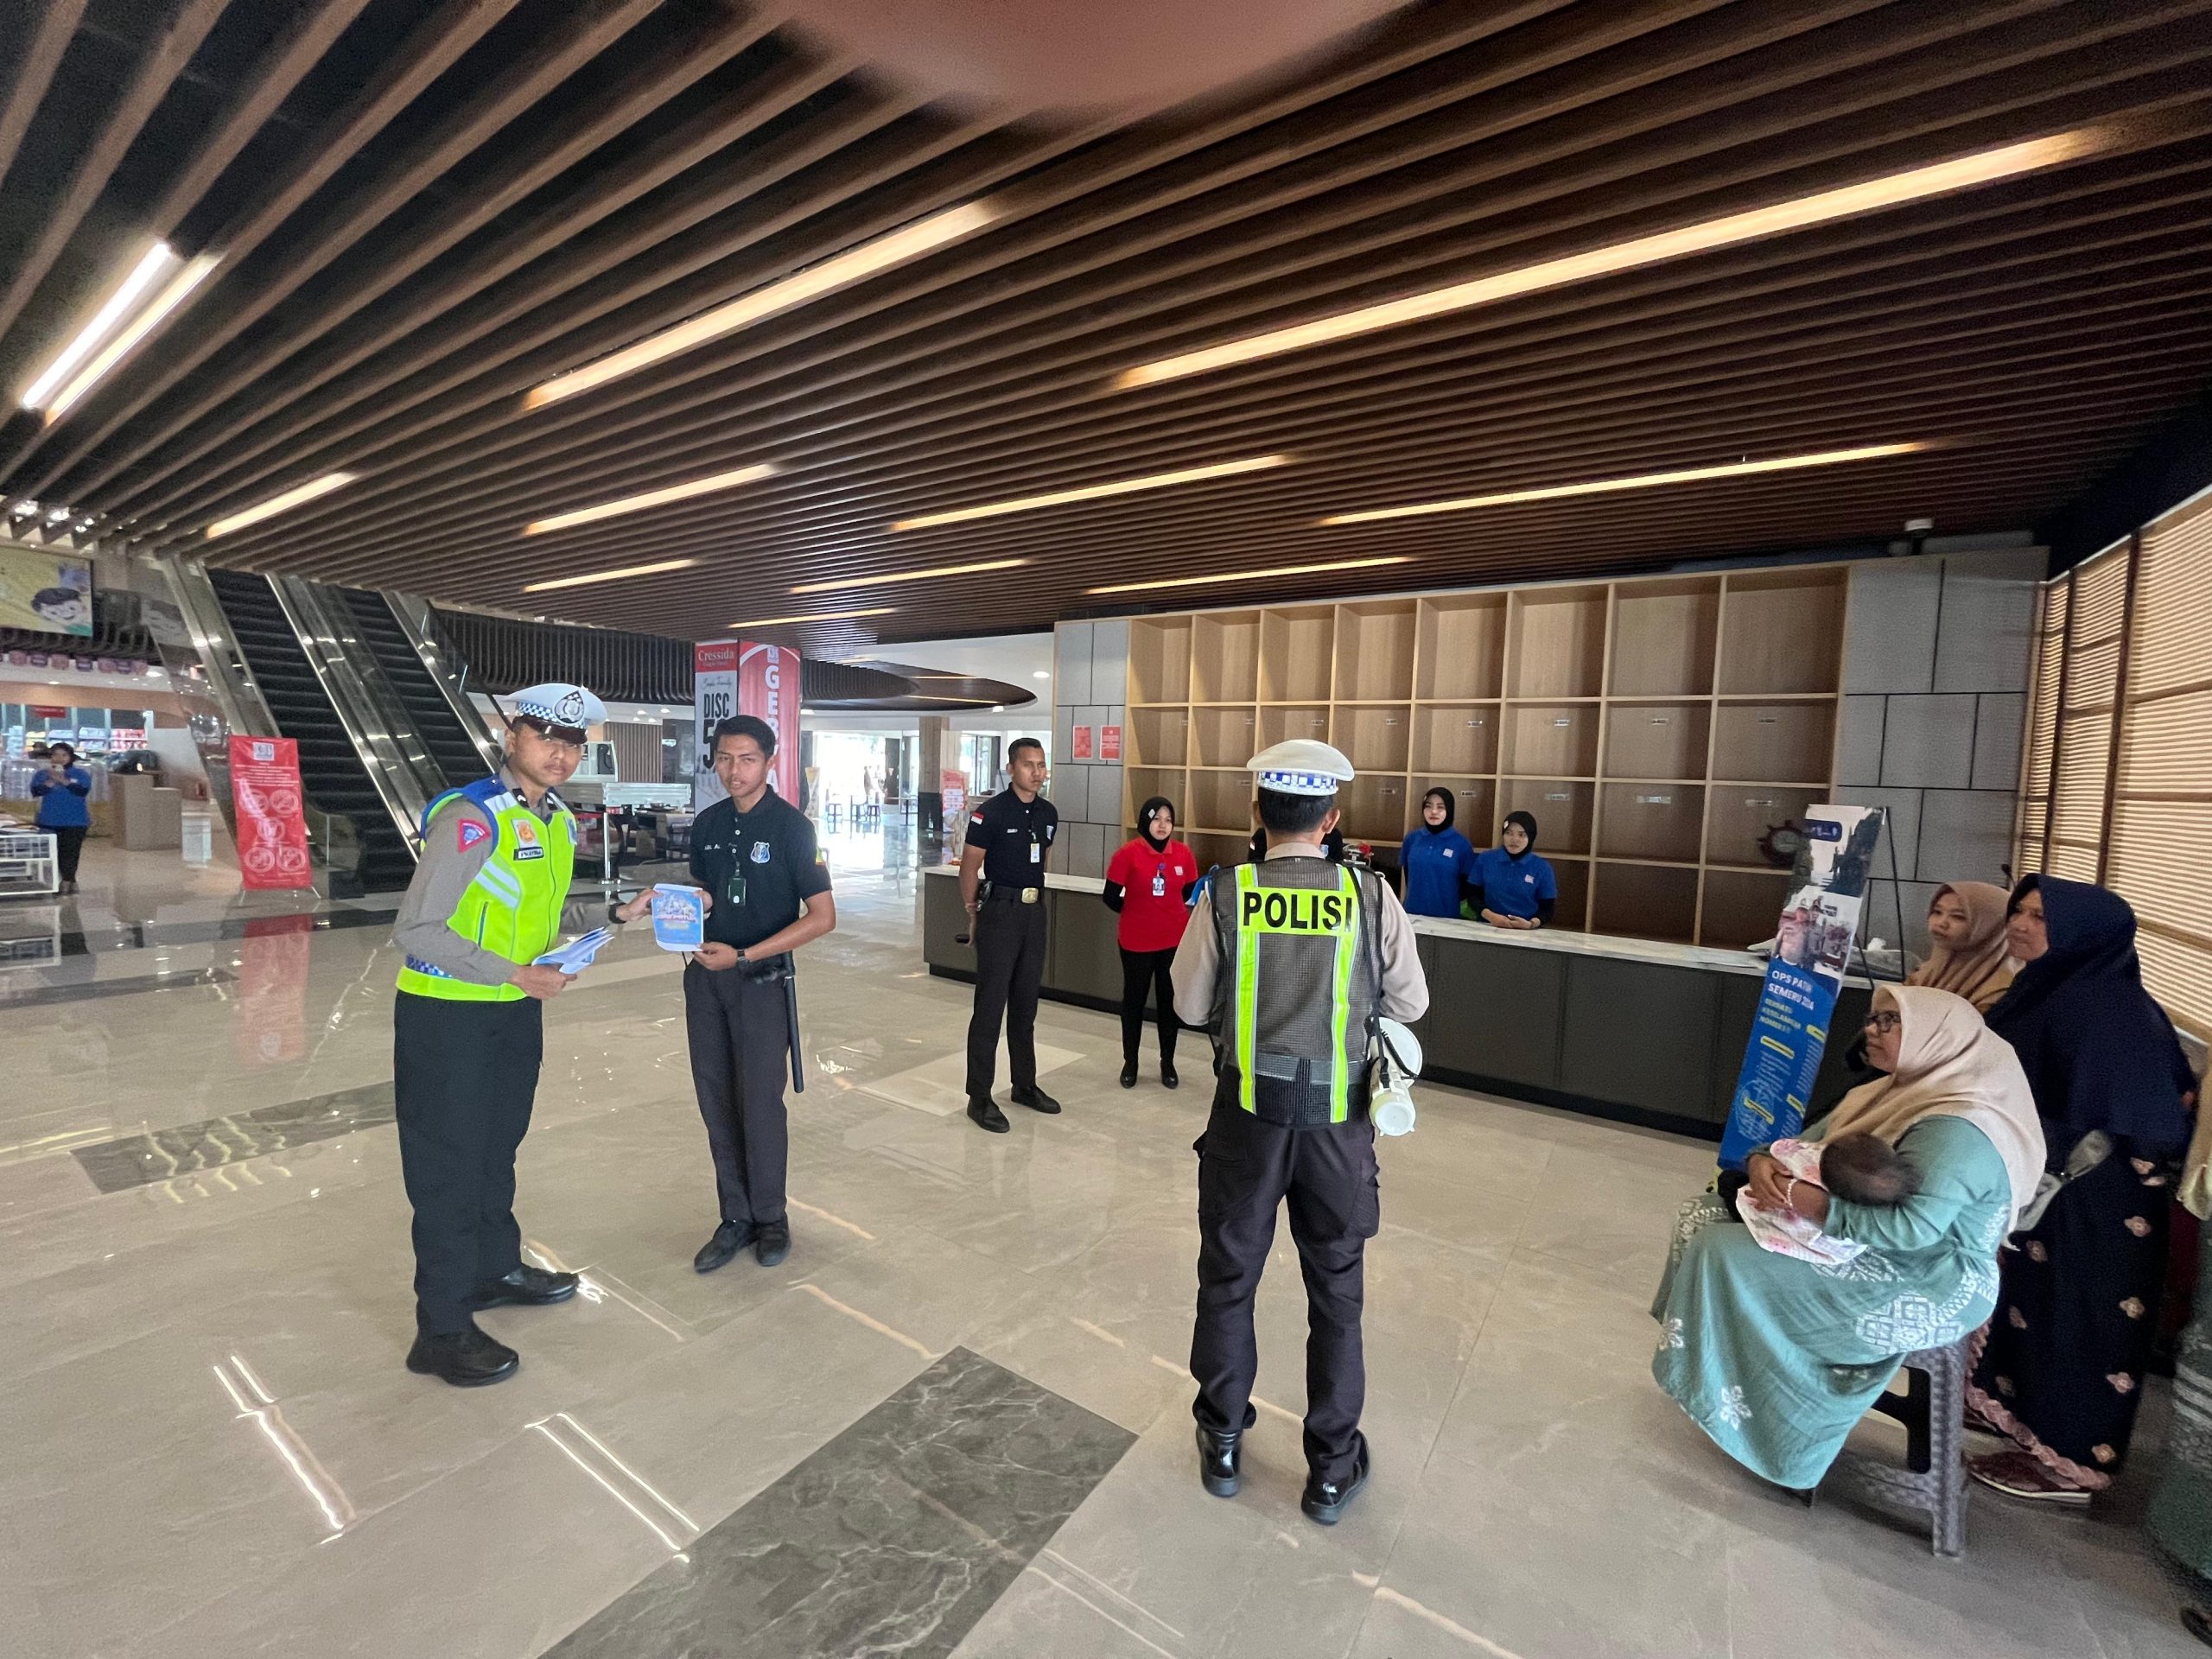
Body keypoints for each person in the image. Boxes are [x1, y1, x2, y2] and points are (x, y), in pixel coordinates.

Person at [1172, 739, 1430, 1525]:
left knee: (1228, 1280)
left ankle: (1222, 1438)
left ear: (1257, 811)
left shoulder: (1228, 892)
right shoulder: (1369, 896)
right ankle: (1330, 1470)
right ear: (1332, 819)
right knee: (1336, 1294)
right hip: (1337, 1129)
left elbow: (1188, 1005)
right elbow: (1411, 1004)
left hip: (1246, 1122)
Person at [1652, 985, 2045, 1491]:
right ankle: (1716, 1374)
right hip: (1865, 1237)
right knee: (1700, 1216)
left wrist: (1795, 1196)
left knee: (1722, 1251)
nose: (1871, 1031)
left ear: (1937, 1037)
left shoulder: (1959, 1127)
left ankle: (1780, 1426)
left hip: (1927, 1276)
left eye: (1890, 1022)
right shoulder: (1890, 1090)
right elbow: (1804, 1143)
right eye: (1873, 1018)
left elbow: (1910, 1229)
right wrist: (1762, 1162)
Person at [390, 683, 655, 1387]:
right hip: (448, 1015)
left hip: (511, 1012)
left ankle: (493, 1269)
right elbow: (417, 929)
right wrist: (512, 972)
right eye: (546, 738)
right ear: (512, 739)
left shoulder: (555, 821)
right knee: (449, 1167)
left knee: (496, 1147)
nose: (560, 753)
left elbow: (540, 919)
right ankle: (441, 1329)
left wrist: (618, 917)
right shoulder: (472, 818)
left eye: (573, 743)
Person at [1966, 876, 2196, 1503]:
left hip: (2097, 1198)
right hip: (2053, 1186)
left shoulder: (2106, 1008)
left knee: (2076, 1321)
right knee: (2032, 1307)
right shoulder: (2047, 988)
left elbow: (2146, 1117)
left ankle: (2069, 1464)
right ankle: (2022, 1427)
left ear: (2085, 934)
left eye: (2041, 917)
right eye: (2019, 911)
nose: (2021, 925)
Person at [685, 715, 836, 1274]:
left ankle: (771, 1217)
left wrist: (747, 954)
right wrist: (685, 908)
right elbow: (706, 890)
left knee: (760, 1104)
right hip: (706, 978)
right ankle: (735, 1217)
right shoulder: (708, 822)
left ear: (771, 762)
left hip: (761, 981)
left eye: (747, 759)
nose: (734, 770)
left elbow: (822, 917)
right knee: (716, 1099)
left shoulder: (794, 829)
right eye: (725, 758)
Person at [960, 737, 1059, 1133]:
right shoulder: (991, 813)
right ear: (1011, 769)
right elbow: (970, 866)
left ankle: (1024, 1085)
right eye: (1029, 765)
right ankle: (979, 1097)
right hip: (999, 912)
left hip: (1034, 912)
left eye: (1041, 765)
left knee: (1025, 1004)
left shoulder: (1048, 813)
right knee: (990, 1007)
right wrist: (973, 914)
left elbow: (1039, 860)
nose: (1037, 772)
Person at [1103, 796, 1198, 1090]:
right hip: (1136, 941)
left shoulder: (1183, 854)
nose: (1162, 825)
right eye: (1157, 819)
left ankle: (1167, 1062)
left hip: (1172, 941)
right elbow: (1110, 896)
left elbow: (1188, 891)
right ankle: (1130, 1062)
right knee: (1134, 1001)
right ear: (1146, 821)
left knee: (1169, 1003)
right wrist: (1135, 911)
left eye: (1168, 820)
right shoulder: (1128, 854)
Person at [1908, 880, 2017, 1011]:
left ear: (1991, 927)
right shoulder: (1926, 973)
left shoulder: (2002, 993)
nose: (1941, 923)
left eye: (1957, 917)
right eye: (1937, 912)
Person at [1468, 810, 1556, 929]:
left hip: (1526, 931)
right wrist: (1491, 917)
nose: (1514, 840)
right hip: (1488, 926)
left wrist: (1530, 924)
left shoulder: (1542, 867)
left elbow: (1548, 908)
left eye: (1521, 835)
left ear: (1531, 837)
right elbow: (1472, 895)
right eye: (1509, 833)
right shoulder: (1486, 859)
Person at [1398, 787, 1476, 918]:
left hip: (1447, 918)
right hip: (1412, 914)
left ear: (1449, 810)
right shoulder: (1412, 839)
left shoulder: (1461, 844)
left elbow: (1466, 886)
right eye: (1428, 806)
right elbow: (1408, 875)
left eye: (1440, 807)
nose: (1434, 811)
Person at [29, 741, 91, 895]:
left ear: (71, 757)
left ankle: (66, 882)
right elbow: (36, 791)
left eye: (64, 755)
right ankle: (69, 881)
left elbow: (82, 791)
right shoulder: (42, 774)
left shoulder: (80, 774)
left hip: (75, 821)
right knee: (54, 853)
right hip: (49, 821)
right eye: (56, 755)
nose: (59, 758)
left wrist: (63, 780)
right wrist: (50, 781)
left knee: (70, 852)